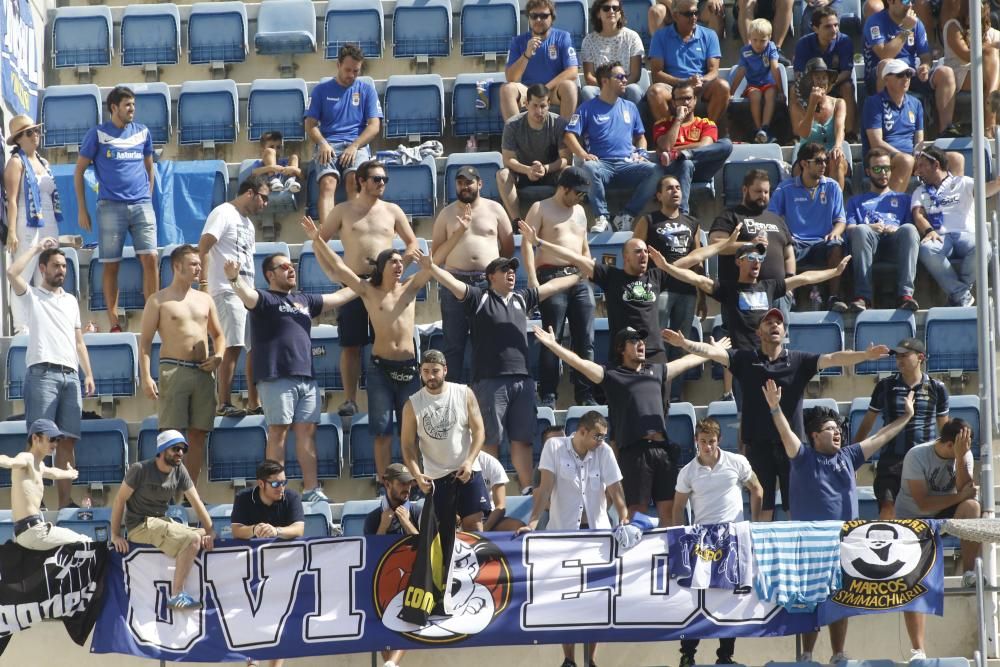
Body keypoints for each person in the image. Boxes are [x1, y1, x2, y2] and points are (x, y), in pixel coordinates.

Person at [662, 308, 889, 520]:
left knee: (795, 505)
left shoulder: (799, 360)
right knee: (764, 506)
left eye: (779, 322)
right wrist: (685, 343)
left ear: (784, 331)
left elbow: (834, 358)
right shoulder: (745, 359)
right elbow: (712, 351)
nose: (775, 325)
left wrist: (865, 356)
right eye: (769, 322)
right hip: (758, 445)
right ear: (759, 332)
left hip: (793, 450)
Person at [765, 379, 915, 663]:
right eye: (829, 430)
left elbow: (882, 435)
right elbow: (786, 433)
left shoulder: (850, 456)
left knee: (839, 601)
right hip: (809, 544)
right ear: (813, 436)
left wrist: (906, 416)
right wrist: (775, 408)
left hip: (844, 544)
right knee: (811, 601)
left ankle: (837, 655)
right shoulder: (802, 457)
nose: (837, 433)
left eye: (838, 429)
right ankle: (807, 655)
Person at [425, 251, 581, 493]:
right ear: (490, 277)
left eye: (512, 269)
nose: (511, 273)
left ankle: (527, 487)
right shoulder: (479, 298)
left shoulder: (521, 298)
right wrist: (432, 267)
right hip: (489, 380)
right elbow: (454, 284)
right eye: (504, 269)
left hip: (523, 380)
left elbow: (552, 286)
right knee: (490, 440)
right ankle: (490, 491)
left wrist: (580, 276)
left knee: (523, 439)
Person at [534, 325, 716, 525]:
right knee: (636, 513)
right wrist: (553, 345)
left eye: (642, 341)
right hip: (634, 452)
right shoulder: (611, 374)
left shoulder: (656, 370)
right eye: (634, 341)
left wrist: (713, 351)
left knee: (669, 511)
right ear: (621, 348)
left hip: (663, 451)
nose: (641, 344)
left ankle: (669, 555)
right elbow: (579, 362)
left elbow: (688, 360)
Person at [301, 215, 431, 479]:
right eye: (393, 261)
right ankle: (386, 484)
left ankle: (417, 479)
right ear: (381, 267)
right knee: (381, 431)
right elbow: (339, 269)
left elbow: (433, 266)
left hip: (409, 370)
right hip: (380, 370)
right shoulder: (369, 291)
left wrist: (456, 234)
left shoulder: (409, 287)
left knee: (413, 431)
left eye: (400, 261)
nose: (399, 265)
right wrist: (318, 241)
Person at [225, 253, 357, 503]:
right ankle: (274, 490)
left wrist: (364, 284)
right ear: (270, 274)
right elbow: (247, 295)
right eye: (284, 266)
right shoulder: (264, 298)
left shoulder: (304, 298)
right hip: (276, 376)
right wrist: (234, 279)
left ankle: (311, 490)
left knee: (307, 432)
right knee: (279, 432)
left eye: (293, 265)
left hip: (307, 376)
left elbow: (339, 297)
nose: (291, 269)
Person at [519, 226, 734, 373]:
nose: (644, 255)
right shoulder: (611, 277)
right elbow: (574, 257)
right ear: (626, 257)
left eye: (645, 252)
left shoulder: (657, 275)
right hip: (624, 354)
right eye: (637, 252)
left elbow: (693, 258)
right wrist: (538, 242)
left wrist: (723, 246)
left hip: (655, 354)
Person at [514, 410, 628, 667]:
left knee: (598, 599)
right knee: (566, 598)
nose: (601, 441)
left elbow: (615, 489)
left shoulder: (605, 452)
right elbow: (545, 488)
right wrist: (532, 523)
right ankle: (568, 659)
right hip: (563, 535)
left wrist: (623, 516)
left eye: (604, 436)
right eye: (597, 436)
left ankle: (592, 660)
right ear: (582, 431)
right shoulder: (554, 447)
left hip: (597, 536)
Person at [319, 160, 420, 417]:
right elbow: (319, 242)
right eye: (376, 179)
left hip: (383, 286)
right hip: (353, 283)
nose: (382, 183)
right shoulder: (342, 210)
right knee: (350, 344)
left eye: (384, 179)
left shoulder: (392, 211)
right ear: (361, 181)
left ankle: (392, 396)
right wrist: (332, 271)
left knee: (384, 341)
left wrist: (397, 270)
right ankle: (350, 399)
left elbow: (412, 244)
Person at [6, 239, 95, 508]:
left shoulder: (70, 301)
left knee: (66, 442)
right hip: (42, 374)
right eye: (56, 265)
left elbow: (79, 341)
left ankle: (65, 503)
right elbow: (11, 273)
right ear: (42, 268)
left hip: (71, 377)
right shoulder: (32, 295)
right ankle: (32, 503)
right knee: (38, 442)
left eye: (65, 266)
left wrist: (88, 373)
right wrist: (34, 249)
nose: (62, 270)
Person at [672, 417, 763, 667]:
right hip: (702, 540)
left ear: (719, 440)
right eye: (703, 442)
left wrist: (752, 525)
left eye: (711, 441)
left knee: (730, 599)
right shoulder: (687, 471)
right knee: (696, 601)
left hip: (734, 538)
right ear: (695, 442)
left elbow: (757, 489)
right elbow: (678, 507)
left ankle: (725, 656)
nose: (708, 447)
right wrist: (683, 536)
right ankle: (687, 654)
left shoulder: (737, 462)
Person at [652, 242, 850, 353]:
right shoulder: (728, 289)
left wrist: (834, 272)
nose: (757, 262)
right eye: (752, 258)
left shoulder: (769, 286)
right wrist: (667, 267)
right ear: (738, 262)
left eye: (760, 259)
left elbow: (804, 278)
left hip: (769, 356)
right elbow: (696, 279)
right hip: (742, 359)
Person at [894, 418, 982, 660]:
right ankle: (917, 648)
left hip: (943, 513)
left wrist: (961, 458)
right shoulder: (917, 455)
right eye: (962, 444)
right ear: (947, 443)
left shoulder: (963, 454)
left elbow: (967, 491)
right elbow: (922, 504)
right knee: (913, 580)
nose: (967, 447)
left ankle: (969, 570)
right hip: (912, 520)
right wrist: (959, 496)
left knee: (972, 507)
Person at [139, 244, 225, 485]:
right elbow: (144, 342)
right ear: (177, 267)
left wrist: (218, 355)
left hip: (203, 372)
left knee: (198, 435)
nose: (199, 268)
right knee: (171, 436)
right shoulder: (158, 300)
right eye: (193, 264)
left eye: (199, 264)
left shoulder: (205, 299)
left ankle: (190, 493)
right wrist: (146, 377)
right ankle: (167, 492)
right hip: (173, 369)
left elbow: (219, 335)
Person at [74, 85, 158, 332]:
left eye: (133, 104)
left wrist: (148, 197)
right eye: (127, 105)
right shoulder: (97, 134)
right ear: (114, 107)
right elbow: (79, 170)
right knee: (111, 264)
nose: (132, 109)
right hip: (110, 207)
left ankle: (152, 317)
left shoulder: (142, 132)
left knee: (151, 258)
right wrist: (82, 208)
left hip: (141, 205)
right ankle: (114, 323)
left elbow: (150, 167)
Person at [708, 167, 795, 403]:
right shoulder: (731, 216)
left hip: (775, 296)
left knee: (778, 347)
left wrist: (790, 282)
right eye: (758, 192)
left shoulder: (776, 219)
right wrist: (748, 244)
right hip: (741, 296)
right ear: (745, 190)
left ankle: (779, 396)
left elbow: (788, 252)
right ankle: (741, 398)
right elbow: (715, 244)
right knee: (743, 352)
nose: (763, 197)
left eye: (766, 192)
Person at [110, 430, 216, 610]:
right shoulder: (140, 470)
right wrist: (115, 535)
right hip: (140, 525)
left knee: (204, 533)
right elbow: (119, 500)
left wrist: (211, 531)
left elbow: (196, 501)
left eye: (183, 449)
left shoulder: (179, 470)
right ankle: (176, 595)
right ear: (162, 450)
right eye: (175, 449)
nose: (180, 453)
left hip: (161, 521)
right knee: (193, 539)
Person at [521, 166, 596, 409]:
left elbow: (584, 245)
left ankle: (585, 393)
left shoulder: (581, 211)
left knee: (585, 338)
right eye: (577, 192)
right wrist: (533, 280)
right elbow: (527, 246)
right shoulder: (540, 208)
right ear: (563, 188)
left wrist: (588, 268)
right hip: (551, 276)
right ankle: (549, 394)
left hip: (579, 278)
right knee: (552, 338)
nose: (580, 197)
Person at [432, 165, 515, 382]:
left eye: (469, 182)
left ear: (479, 184)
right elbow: (437, 256)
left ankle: (486, 390)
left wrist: (494, 273)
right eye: (460, 182)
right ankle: (453, 395)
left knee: (489, 341)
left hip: (488, 283)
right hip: (454, 283)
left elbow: (507, 247)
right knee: (453, 344)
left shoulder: (495, 209)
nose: (464, 186)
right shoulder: (446, 213)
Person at [852, 337, 949, 519]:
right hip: (891, 463)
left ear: (920, 357)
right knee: (888, 508)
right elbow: (867, 424)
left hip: (924, 462)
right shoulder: (885, 386)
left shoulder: (937, 388)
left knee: (922, 516)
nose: (899, 360)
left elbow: (944, 430)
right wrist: (853, 460)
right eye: (897, 356)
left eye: (904, 355)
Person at [199, 175, 270, 418]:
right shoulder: (223, 213)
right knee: (233, 344)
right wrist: (204, 284)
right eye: (264, 197)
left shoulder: (249, 225)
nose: (266, 204)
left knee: (253, 348)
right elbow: (204, 246)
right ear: (249, 193)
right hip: (226, 290)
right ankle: (224, 402)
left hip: (245, 291)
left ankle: (253, 402)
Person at [564, 61, 660, 233]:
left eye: (625, 76)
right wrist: (583, 154)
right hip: (602, 165)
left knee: (655, 170)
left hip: (627, 163)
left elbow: (640, 137)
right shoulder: (586, 108)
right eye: (620, 77)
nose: (625, 80)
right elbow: (569, 135)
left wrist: (642, 153)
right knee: (588, 167)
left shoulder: (630, 107)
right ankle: (602, 218)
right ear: (605, 81)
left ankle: (626, 216)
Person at [401, 350, 488, 532]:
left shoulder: (464, 393)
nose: (430, 376)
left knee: (474, 528)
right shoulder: (412, 405)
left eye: (435, 371)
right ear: (420, 372)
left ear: (445, 370)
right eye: (425, 371)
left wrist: (470, 461)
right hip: (436, 477)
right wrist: (417, 475)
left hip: (467, 471)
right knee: (444, 534)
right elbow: (407, 446)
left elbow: (479, 431)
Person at [230, 458, 303, 667]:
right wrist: (254, 529)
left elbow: (299, 529)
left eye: (284, 482)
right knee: (249, 613)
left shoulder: (291, 497)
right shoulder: (244, 498)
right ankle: (252, 661)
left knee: (281, 619)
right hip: (252, 568)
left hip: (284, 567)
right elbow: (236, 530)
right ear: (261, 484)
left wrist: (276, 531)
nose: (281, 487)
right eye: (275, 483)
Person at [304, 44, 383, 226]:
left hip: (357, 145)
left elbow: (374, 126)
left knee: (354, 181)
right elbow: (310, 124)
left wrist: (355, 146)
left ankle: (353, 231)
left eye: (356, 71)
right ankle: (326, 237)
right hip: (328, 144)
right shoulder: (321, 90)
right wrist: (322, 143)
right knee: (327, 183)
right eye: (348, 70)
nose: (351, 75)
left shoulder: (366, 90)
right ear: (338, 65)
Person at [913, 146, 1000, 307]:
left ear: (936, 165)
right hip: (940, 236)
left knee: (983, 247)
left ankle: (958, 294)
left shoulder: (963, 182)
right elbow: (918, 215)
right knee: (926, 249)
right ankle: (962, 294)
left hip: (967, 234)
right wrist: (929, 231)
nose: (917, 171)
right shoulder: (920, 191)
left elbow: (985, 191)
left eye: (922, 165)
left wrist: (997, 183)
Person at [632, 175, 703, 366]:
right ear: (659, 195)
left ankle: (675, 394)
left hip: (686, 291)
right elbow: (633, 252)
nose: (675, 191)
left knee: (680, 345)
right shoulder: (648, 220)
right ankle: (656, 387)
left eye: (678, 188)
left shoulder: (692, 223)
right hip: (659, 289)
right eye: (670, 188)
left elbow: (698, 261)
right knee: (656, 341)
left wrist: (701, 295)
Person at [768, 141, 848, 312]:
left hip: (822, 243)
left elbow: (841, 220)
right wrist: (785, 236)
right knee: (782, 247)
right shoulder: (785, 188)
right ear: (804, 163)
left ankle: (834, 297)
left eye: (825, 160)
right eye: (818, 161)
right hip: (795, 242)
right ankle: (789, 297)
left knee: (837, 245)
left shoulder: (832, 187)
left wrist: (835, 232)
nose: (824, 165)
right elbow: (772, 218)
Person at [863, 0, 959, 136]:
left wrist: (925, 66)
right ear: (891, 2)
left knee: (946, 73)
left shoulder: (916, 23)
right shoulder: (875, 21)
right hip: (882, 75)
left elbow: (925, 56)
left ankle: (946, 130)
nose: (910, 5)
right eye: (905, 1)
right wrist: (905, 30)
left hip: (910, 74)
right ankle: (886, 125)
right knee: (888, 63)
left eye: (911, 1)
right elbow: (884, 54)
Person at [4, 114, 63, 334]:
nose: (35, 134)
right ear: (19, 138)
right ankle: (22, 327)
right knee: (24, 272)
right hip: (27, 223)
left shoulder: (44, 162)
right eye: (29, 132)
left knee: (46, 274)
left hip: (49, 223)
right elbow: (12, 199)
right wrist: (12, 230)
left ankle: (43, 325)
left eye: (36, 130)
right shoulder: (16, 162)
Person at [845, 148, 920, 311]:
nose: (883, 173)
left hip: (895, 244)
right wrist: (868, 227)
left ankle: (905, 296)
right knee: (860, 230)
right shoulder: (855, 201)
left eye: (886, 168)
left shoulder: (904, 199)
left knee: (909, 229)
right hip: (868, 245)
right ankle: (863, 297)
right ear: (868, 171)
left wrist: (897, 228)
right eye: (877, 169)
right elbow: (849, 229)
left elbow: (913, 232)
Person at [0, 419, 86, 550]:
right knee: (85, 541)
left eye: (57, 439)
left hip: (27, 533)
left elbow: (54, 473)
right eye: (51, 438)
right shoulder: (26, 458)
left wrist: (70, 474)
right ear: (35, 438)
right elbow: (10, 462)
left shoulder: (39, 465)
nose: (55, 443)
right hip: (33, 531)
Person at [651, 81, 734, 214]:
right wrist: (678, 119)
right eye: (680, 99)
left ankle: (685, 155)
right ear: (673, 103)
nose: (685, 103)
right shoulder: (662, 124)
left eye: (688, 98)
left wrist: (679, 151)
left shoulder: (706, 123)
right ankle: (682, 213)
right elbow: (666, 145)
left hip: (702, 168)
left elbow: (705, 145)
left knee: (726, 144)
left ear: (695, 100)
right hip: (673, 169)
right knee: (686, 164)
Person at [364, 462, 417, 667]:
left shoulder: (418, 511)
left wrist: (407, 524)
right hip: (383, 581)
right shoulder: (373, 518)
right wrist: (383, 528)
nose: (407, 487)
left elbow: (429, 548)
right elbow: (369, 555)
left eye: (410, 483)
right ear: (387, 484)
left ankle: (390, 664)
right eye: (402, 483)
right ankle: (391, 664)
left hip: (415, 580)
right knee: (378, 617)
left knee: (410, 615)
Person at [646, 0, 731, 125]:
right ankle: (673, 133)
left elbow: (713, 71)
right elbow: (656, 73)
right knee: (655, 92)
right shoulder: (660, 36)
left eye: (696, 13)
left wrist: (700, 81)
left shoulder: (709, 35)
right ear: (675, 16)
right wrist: (684, 83)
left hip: (700, 85)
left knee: (723, 86)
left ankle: (708, 129)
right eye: (688, 14)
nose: (694, 17)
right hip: (672, 86)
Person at [496, 84, 571, 222]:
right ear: (526, 103)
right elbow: (508, 159)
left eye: (543, 106)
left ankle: (563, 218)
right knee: (502, 174)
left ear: (549, 104)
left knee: (569, 172)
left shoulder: (559, 123)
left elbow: (565, 158)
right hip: (522, 174)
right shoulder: (512, 125)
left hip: (551, 173)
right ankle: (516, 222)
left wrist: (546, 168)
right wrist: (528, 170)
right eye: (534, 106)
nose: (539, 111)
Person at [501, 0, 579, 121]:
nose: (538, 20)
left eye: (543, 16)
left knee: (570, 86)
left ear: (552, 18)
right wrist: (526, 54)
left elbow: (572, 71)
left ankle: (564, 135)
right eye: (534, 16)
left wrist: (545, 89)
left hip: (552, 91)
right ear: (529, 18)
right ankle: (516, 136)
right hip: (528, 91)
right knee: (507, 89)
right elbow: (511, 78)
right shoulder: (518, 41)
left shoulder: (563, 37)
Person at [793, 7, 858, 139]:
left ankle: (849, 133)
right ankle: (797, 134)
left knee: (847, 87)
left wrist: (829, 85)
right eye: (828, 26)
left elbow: (846, 72)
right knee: (794, 90)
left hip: (837, 83)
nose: (834, 30)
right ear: (815, 28)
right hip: (811, 85)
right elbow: (799, 74)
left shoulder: (844, 41)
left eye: (836, 25)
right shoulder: (803, 44)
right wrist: (814, 88)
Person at [860, 59, 924, 192]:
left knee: (955, 159)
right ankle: (889, 207)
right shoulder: (873, 103)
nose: (906, 78)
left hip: (909, 158)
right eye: (900, 75)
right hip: (881, 157)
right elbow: (876, 143)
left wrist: (918, 157)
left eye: (908, 74)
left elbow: (919, 141)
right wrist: (906, 157)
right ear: (886, 79)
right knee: (906, 161)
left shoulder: (916, 103)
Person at [943, 0, 1000, 136]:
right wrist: (990, 48)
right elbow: (966, 55)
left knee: (993, 64)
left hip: (982, 75)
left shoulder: (990, 32)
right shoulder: (953, 26)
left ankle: (991, 98)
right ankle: (990, 124)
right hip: (960, 73)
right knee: (991, 54)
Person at [789, 59, 848, 192]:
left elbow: (840, 128)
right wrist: (812, 105)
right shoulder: (797, 106)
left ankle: (836, 208)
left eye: (824, 78)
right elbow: (803, 133)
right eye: (817, 78)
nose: (821, 82)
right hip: (808, 155)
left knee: (836, 160)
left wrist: (838, 146)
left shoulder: (838, 103)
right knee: (802, 167)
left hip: (831, 153)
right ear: (809, 82)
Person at [580, 0, 645, 105]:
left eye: (615, 8)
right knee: (587, 91)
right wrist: (608, 88)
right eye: (606, 8)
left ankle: (635, 121)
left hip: (626, 86)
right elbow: (589, 76)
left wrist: (618, 85)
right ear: (598, 14)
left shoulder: (632, 37)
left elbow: (635, 74)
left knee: (634, 90)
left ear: (620, 13)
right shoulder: (588, 41)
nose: (611, 11)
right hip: (601, 89)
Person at [730, 18, 783, 143]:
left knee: (770, 93)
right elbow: (741, 71)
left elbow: (775, 69)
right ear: (749, 38)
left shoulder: (771, 48)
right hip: (753, 84)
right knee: (755, 95)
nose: (758, 44)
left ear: (769, 38)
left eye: (762, 40)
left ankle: (765, 127)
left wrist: (781, 90)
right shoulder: (745, 51)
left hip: (769, 83)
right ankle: (758, 128)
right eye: (755, 40)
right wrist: (731, 92)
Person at [477, 450, 525, 531]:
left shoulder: (491, 463)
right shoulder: (451, 462)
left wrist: (484, 529)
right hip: (460, 519)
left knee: (519, 527)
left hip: (488, 518)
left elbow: (500, 506)